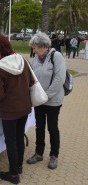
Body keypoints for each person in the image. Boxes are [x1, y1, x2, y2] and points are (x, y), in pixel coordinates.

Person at [0, 35, 34, 184]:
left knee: (11, 141)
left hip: (9, 110)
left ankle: (13, 175)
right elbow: (32, 81)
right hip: (25, 106)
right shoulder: (23, 60)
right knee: (19, 137)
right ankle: (18, 167)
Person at [27, 31, 66, 170]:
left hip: (53, 100)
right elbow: (33, 78)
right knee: (40, 126)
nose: (33, 49)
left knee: (52, 127)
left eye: (35, 47)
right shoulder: (36, 58)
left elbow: (59, 79)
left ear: (43, 46)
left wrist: (46, 95)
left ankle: (54, 155)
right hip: (39, 100)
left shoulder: (56, 57)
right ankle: (39, 153)